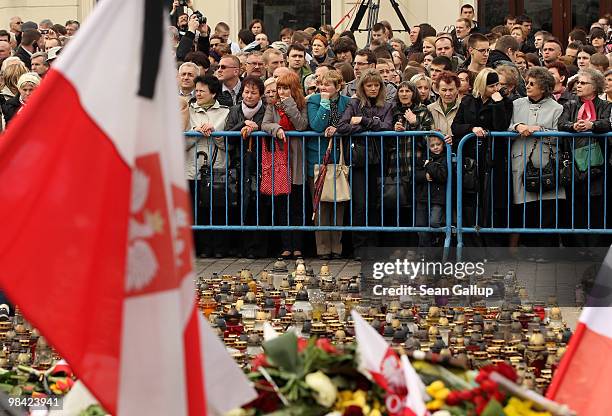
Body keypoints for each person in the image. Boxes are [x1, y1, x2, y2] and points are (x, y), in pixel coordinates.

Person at [452, 68, 513, 246]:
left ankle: (493, 244)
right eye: (491, 86)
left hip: (494, 158)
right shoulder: (468, 101)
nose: (495, 89)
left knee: (493, 202)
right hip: (471, 159)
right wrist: (471, 128)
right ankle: (472, 242)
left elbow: (501, 126)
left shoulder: (505, 102)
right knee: (471, 201)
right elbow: (456, 126)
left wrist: (498, 104)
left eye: (497, 85)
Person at [337, 68, 393, 259]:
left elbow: (387, 126)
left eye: (376, 85)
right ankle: (360, 247)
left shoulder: (386, 105)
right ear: (362, 87)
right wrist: (369, 125)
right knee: (360, 204)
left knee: (375, 203)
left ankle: (374, 245)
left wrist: (362, 121)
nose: (373, 89)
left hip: (378, 160)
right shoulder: (354, 103)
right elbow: (343, 126)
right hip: (359, 160)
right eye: (369, 85)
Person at [508, 67, 564, 251]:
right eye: (527, 82)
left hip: (546, 163)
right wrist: (518, 126)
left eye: (533, 83)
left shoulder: (557, 108)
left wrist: (539, 129)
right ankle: (527, 246)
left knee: (547, 208)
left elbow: (561, 135)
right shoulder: (516, 104)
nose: (528, 86)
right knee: (525, 208)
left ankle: (546, 250)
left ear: (544, 87)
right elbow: (506, 126)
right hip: (520, 162)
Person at [558, 68, 612, 247]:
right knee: (577, 205)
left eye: (583, 83)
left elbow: (606, 123)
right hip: (574, 163)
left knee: (596, 205)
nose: (578, 86)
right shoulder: (570, 104)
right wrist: (574, 126)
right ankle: (579, 248)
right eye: (578, 83)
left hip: (598, 163)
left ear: (595, 87)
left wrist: (592, 125)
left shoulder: (604, 105)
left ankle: (596, 248)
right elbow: (561, 124)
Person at [261, 71, 309, 259]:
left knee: (296, 202)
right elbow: (265, 124)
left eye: (285, 88)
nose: (281, 92)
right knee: (282, 202)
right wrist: (277, 128)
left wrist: (289, 104)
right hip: (280, 156)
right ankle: (286, 245)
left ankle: (298, 246)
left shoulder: (301, 105)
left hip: (296, 156)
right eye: (279, 88)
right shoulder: (272, 106)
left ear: (293, 88)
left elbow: (301, 125)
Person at [183, 75, 230, 258]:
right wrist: (196, 133)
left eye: (202, 90)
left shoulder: (225, 112)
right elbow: (182, 143)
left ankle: (218, 248)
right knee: (194, 210)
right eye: (197, 90)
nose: (198, 93)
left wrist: (215, 134)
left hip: (217, 167)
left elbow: (228, 145)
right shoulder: (188, 111)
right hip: (192, 167)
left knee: (216, 208)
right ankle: (198, 248)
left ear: (213, 93)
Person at [306, 70, 350, 259]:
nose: (323, 87)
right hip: (318, 159)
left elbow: (348, 123)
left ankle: (337, 247)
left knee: (338, 203)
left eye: (328, 84)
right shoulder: (313, 100)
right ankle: (323, 249)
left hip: (339, 159)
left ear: (338, 86)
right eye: (321, 84)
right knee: (321, 205)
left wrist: (338, 129)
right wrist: (324, 102)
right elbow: (316, 125)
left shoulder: (347, 102)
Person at [224, 76, 268, 258]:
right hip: (239, 162)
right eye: (246, 92)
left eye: (253, 92)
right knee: (240, 203)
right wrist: (243, 124)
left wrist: (256, 129)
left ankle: (259, 247)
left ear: (260, 95)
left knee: (259, 205)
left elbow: (269, 128)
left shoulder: (266, 110)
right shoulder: (234, 111)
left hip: (260, 162)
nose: (249, 96)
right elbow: (227, 134)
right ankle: (242, 246)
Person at [387, 81, 433, 246]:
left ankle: (416, 246)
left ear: (413, 93)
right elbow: (386, 143)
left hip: (417, 165)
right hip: (396, 166)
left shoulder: (423, 111)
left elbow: (431, 140)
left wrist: (415, 124)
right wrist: (393, 131)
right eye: (401, 91)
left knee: (417, 208)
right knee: (398, 208)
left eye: (408, 91)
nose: (404, 94)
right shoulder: (392, 112)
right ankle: (399, 246)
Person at [415, 135, 447, 247]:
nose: (436, 147)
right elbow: (414, 175)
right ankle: (425, 250)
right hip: (423, 196)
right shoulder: (423, 157)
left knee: (434, 222)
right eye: (432, 145)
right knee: (420, 225)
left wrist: (429, 165)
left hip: (438, 198)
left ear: (443, 144)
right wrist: (424, 175)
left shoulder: (445, 158)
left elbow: (442, 175)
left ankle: (435, 241)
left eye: (438, 144)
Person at [428, 71, 461, 144]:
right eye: (444, 90)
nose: (448, 94)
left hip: (457, 152)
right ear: (437, 90)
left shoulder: (464, 108)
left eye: (451, 90)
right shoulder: (429, 109)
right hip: (435, 153)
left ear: (457, 89)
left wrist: (454, 139)